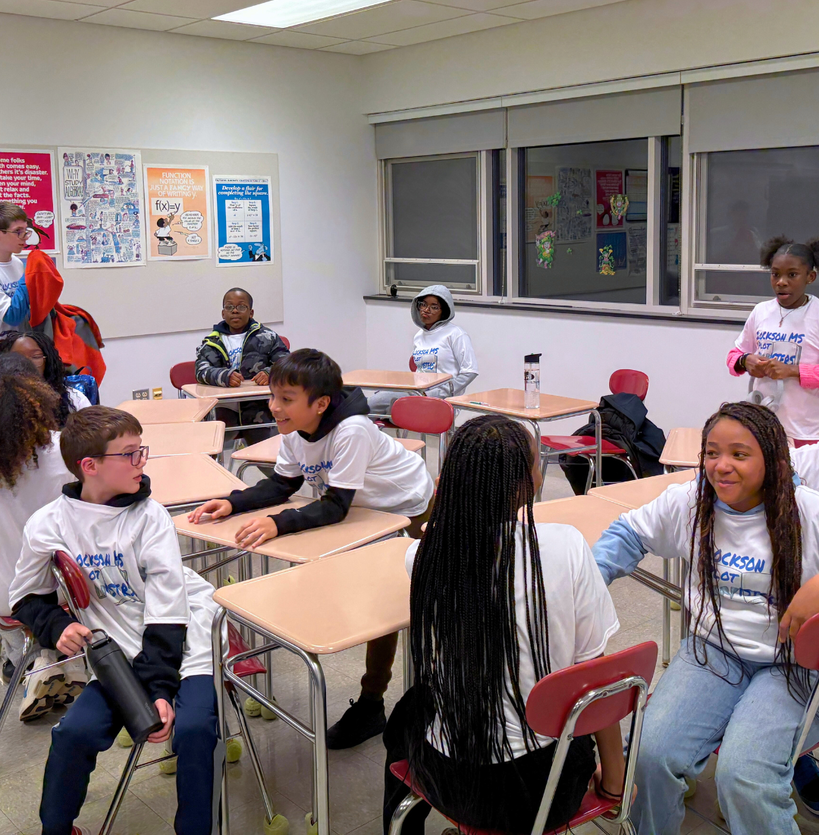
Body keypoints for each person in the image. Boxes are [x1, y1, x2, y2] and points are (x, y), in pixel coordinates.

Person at [382, 414, 621, 834]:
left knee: (406, 715)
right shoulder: (567, 545)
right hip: (547, 791)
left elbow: (438, 533)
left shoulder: (422, 556)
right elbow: (594, 681)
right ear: (527, 482)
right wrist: (615, 783)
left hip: (455, 783)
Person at [593, 402, 819, 835]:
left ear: (772, 460)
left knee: (744, 777)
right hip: (713, 651)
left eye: (739, 454)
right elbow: (628, 534)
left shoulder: (805, 510)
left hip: (788, 665)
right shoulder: (692, 500)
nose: (721, 466)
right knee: (649, 755)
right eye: (712, 452)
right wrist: (580, 586)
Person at [190, 348, 434, 748]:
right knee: (356, 587)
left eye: (285, 399)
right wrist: (233, 501)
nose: (274, 407)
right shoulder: (294, 431)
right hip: (360, 510)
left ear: (320, 403)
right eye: (272, 396)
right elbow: (282, 485)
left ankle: (375, 703)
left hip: (406, 507)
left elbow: (334, 506)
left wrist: (277, 522)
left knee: (388, 600)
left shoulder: (351, 430)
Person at [9, 407, 220, 835]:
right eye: (130, 454)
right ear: (91, 466)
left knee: (195, 731)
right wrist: (57, 625)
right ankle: (57, 828)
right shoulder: (48, 523)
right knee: (73, 735)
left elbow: (167, 612)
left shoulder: (150, 517)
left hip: (182, 640)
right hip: (117, 657)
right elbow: (24, 597)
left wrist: (159, 690)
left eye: (141, 450)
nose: (142, 462)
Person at [0, 359, 79, 716]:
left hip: (5, 599)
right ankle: (51, 660)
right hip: (66, 592)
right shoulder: (68, 453)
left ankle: (30, 661)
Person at [727, 235, 819, 443]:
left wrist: (792, 371)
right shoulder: (761, 311)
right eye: (775, 274)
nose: (781, 282)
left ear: (810, 277)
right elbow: (734, 356)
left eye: (792, 275)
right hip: (764, 427)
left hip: (807, 431)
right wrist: (745, 361)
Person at [195, 287, 289, 445]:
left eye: (241, 307)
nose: (235, 311)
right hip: (223, 409)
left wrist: (269, 373)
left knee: (267, 458)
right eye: (229, 307)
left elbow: (286, 363)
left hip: (260, 408)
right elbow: (200, 371)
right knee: (206, 444)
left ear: (251, 312)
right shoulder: (212, 341)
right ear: (223, 313)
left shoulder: (267, 337)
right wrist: (223, 376)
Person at [367, 285, 478, 418]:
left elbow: (470, 371)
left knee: (389, 409)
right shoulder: (419, 336)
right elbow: (420, 372)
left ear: (444, 311)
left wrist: (440, 392)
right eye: (423, 304)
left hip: (441, 399)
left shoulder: (456, 334)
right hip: (416, 392)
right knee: (371, 404)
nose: (426, 310)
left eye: (434, 307)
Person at [0, 330, 91, 425]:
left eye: (35, 356)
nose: (26, 363)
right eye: (17, 357)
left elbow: (92, 436)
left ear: (47, 362)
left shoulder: (74, 399)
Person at [0, 201, 31, 333]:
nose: (25, 237)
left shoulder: (18, 263)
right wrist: (31, 273)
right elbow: (12, 316)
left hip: (18, 344)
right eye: (18, 231)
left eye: (25, 230)